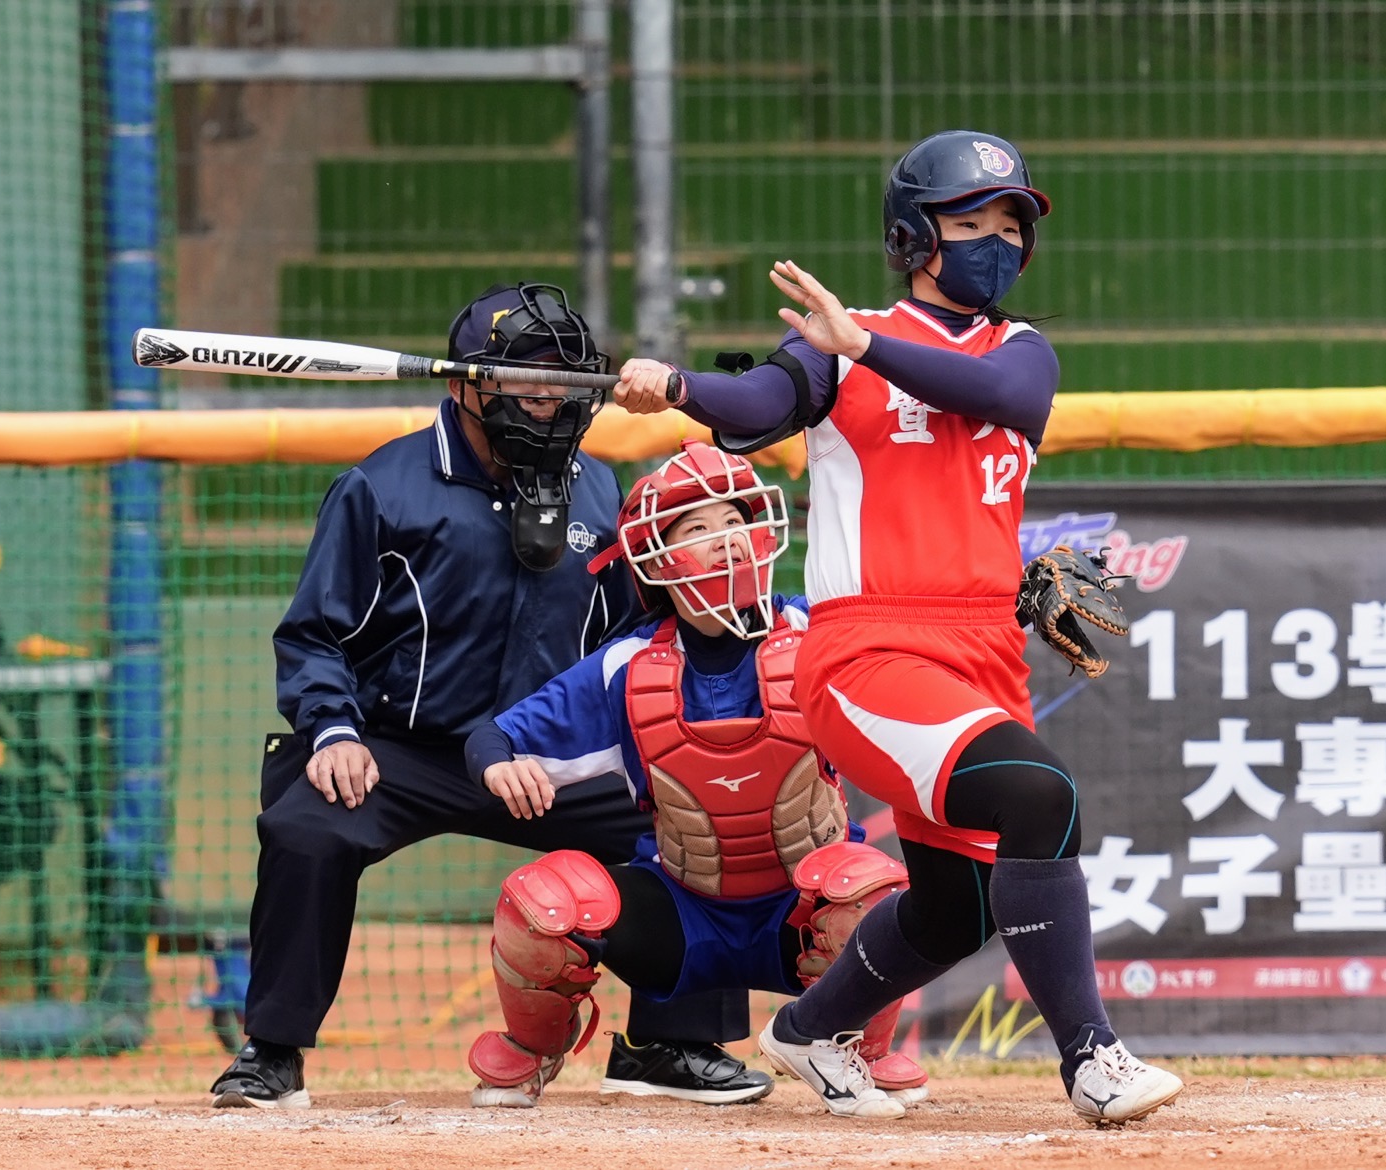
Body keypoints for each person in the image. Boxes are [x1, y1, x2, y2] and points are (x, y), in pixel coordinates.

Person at [611, 130, 1184, 1124]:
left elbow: (1000, 396)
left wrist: (861, 346)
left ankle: (808, 1031)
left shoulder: (1016, 352)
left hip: (982, 654)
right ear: (913, 236)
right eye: (971, 221)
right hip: (869, 654)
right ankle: (1092, 1059)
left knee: (956, 907)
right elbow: (759, 402)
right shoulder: (840, 343)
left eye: (1011, 223)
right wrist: (677, 386)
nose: (997, 240)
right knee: (1039, 796)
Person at [209, 283, 760, 1109]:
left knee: (697, 816)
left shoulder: (598, 488)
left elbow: (624, 641)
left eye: (564, 380)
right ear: (469, 382)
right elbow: (315, 634)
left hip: (543, 752)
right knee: (306, 827)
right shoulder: (381, 487)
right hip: (405, 750)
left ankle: (668, 1044)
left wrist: (638, 743)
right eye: (526, 377)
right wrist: (332, 732)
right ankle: (272, 1052)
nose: (547, 398)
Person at [461, 441, 927, 1116]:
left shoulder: (816, 632)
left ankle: (860, 1050)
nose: (726, 540)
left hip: (800, 917)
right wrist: (498, 764)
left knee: (871, 891)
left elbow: (917, 652)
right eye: (699, 528)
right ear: (657, 560)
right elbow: (495, 736)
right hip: (682, 915)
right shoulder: (627, 667)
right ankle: (532, 1052)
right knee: (540, 901)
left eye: (735, 521)